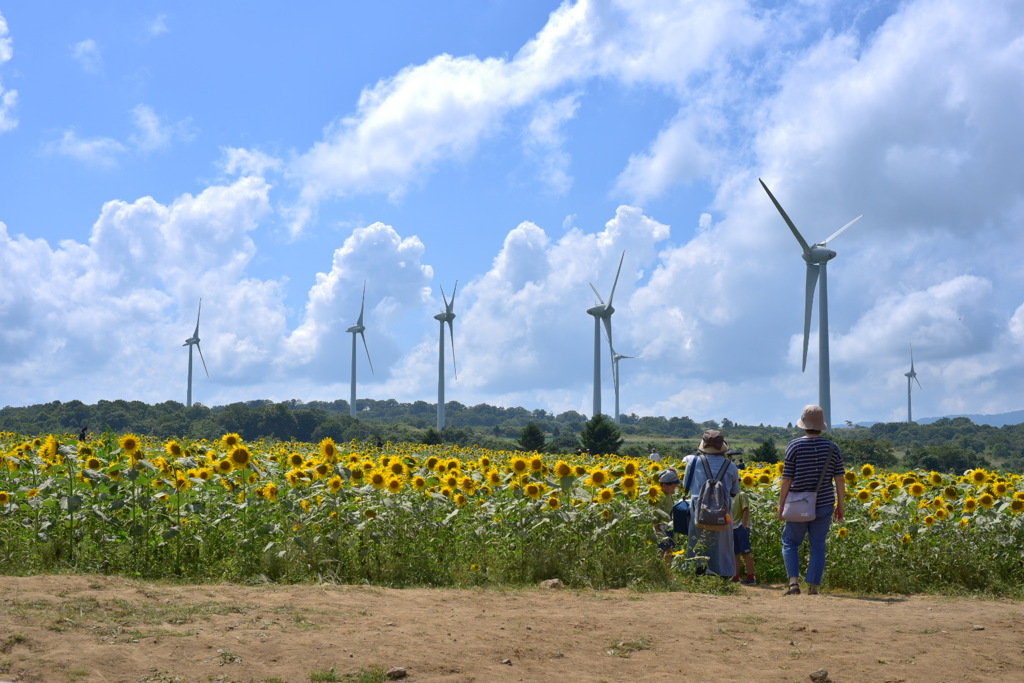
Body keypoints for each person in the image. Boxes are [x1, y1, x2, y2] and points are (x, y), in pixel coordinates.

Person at [778, 405, 846, 596]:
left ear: (804, 424)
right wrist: (840, 506)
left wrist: (781, 504)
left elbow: (787, 479)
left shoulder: (794, 446)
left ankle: (793, 584)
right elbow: (839, 479)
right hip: (824, 503)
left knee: (791, 542)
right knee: (818, 545)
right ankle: (814, 587)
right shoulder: (833, 448)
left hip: (798, 504)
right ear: (821, 425)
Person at [682, 429, 739, 577]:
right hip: (723, 508)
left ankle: (698, 571)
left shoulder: (693, 462)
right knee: (723, 544)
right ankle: (723, 574)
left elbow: (685, 486)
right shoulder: (730, 465)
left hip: (698, 507)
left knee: (697, 540)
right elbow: (734, 491)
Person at [731, 475, 756, 585]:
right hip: (733, 527)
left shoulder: (741, 494)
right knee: (735, 553)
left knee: (746, 553)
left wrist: (744, 526)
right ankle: (735, 576)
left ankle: (751, 577)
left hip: (740, 527)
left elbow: (746, 510)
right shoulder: (730, 496)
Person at [653, 468, 681, 562]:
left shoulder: (667, 494)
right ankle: (664, 569)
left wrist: (674, 473)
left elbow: (675, 482)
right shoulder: (660, 496)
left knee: (667, 548)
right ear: (664, 485)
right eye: (673, 487)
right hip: (662, 527)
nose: (674, 489)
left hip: (668, 525)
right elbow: (655, 513)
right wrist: (657, 528)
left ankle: (661, 567)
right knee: (667, 549)